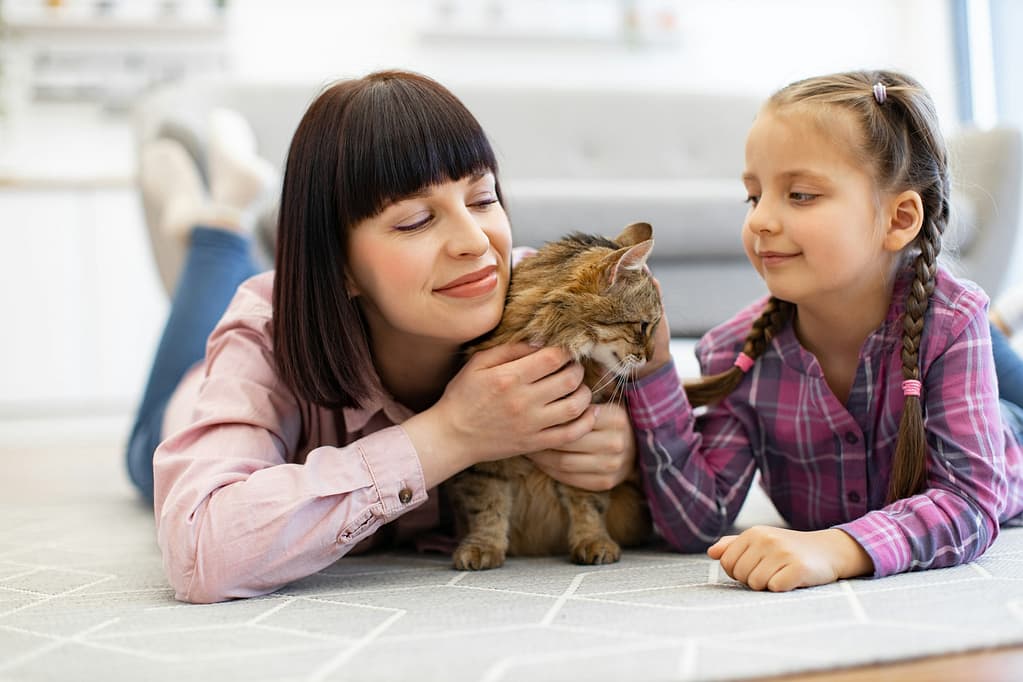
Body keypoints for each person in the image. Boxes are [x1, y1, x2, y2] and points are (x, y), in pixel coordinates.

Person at [126, 70, 638, 603]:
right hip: (186, 407)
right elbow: (202, 552)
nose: (474, 242)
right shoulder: (264, 327)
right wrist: (453, 433)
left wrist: (627, 455)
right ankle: (224, 219)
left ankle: (225, 212)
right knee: (149, 441)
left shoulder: (543, 300)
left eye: (483, 199)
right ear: (338, 264)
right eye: (416, 220)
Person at [626, 69, 1023, 592]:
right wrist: (652, 366)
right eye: (753, 196)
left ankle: (1005, 318)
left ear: (899, 219)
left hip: (992, 401)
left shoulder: (951, 322)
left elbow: (970, 503)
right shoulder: (735, 351)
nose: (761, 220)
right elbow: (696, 521)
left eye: (801, 195)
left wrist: (838, 547)